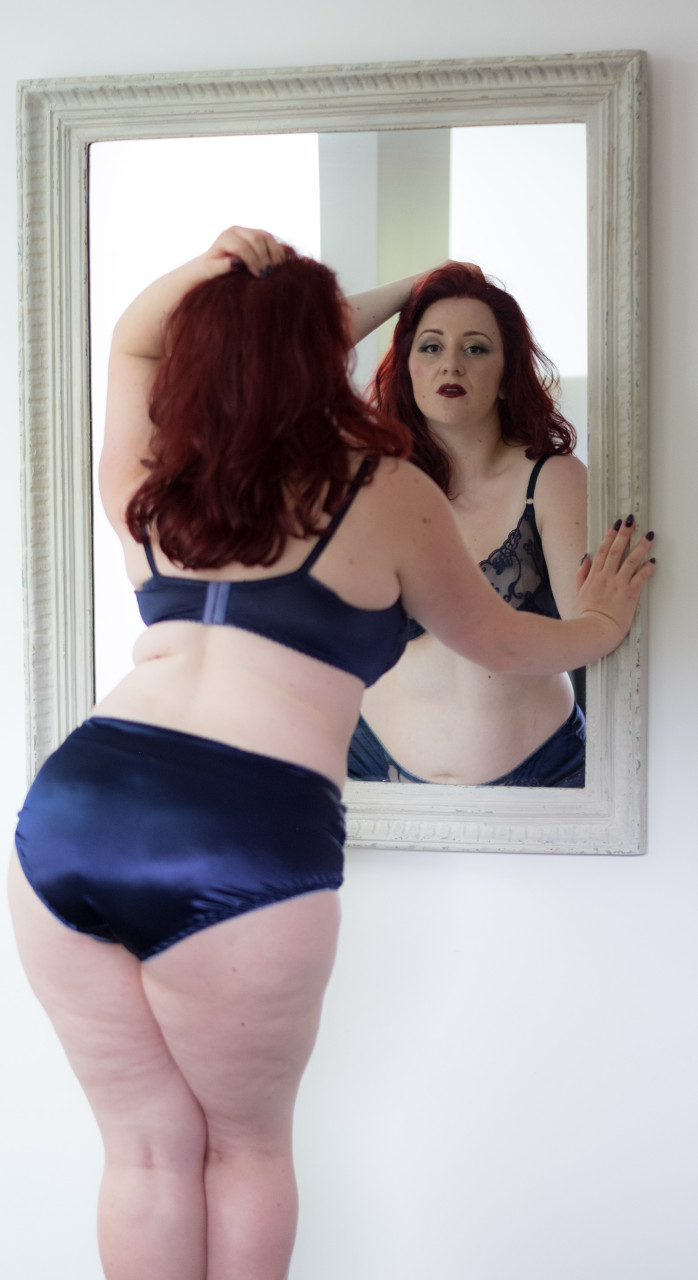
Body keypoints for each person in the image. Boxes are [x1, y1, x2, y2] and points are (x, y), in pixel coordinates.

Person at [8, 225, 654, 1280]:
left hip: (76, 808)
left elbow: (134, 340)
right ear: (325, 351)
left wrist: (226, 269)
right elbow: (499, 641)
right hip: (240, 828)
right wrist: (601, 623)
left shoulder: (157, 473)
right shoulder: (382, 491)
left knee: (144, 1148)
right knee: (245, 1147)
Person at [347, 262, 590, 785]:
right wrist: (414, 287)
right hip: (368, 770)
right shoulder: (373, 479)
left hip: (542, 774)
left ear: (506, 376)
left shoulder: (551, 479)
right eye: (430, 346)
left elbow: (589, 632)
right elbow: (286, 356)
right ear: (407, 368)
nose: (451, 364)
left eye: (476, 349)